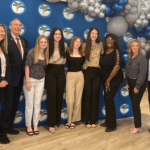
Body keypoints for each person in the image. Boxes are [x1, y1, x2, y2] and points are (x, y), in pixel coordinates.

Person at [4, 18, 27, 135]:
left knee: (14, 106)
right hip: (8, 81)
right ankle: (1, 132)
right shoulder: (5, 40)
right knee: (6, 107)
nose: (18, 27)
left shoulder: (23, 40)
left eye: (20, 25)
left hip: (19, 80)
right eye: (15, 25)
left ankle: (8, 127)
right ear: (10, 26)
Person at [23, 35, 49, 136]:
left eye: (45, 42)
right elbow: (26, 67)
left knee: (37, 104)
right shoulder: (32, 52)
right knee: (29, 104)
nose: (43, 44)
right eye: (41, 42)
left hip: (40, 81)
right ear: (38, 43)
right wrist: (28, 81)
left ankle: (35, 125)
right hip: (30, 80)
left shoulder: (46, 54)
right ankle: (28, 126)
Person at [45, 27, 67, 133]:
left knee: (59, 96)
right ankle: (51, 123)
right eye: (56, 34)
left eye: (59, 34)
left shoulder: (65, 46)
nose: (58, 36)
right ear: (52, 35)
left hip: (61, 71)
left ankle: (57, 121)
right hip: (50, 71)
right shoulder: (48, 45)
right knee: (52, 97)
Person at [100, 34, 123, 132]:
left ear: (115, 41)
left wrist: (108, 80)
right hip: (105, 79)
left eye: (111, 39)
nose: (109, 41)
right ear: (105, 41)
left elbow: (116, 67)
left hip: (114, 78)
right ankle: (108, 121)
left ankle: (112, 124)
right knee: (106, 99)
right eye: (107, 39)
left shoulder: (116, 52)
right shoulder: (104, 52)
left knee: (109, 98)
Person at [81, 27, 103, 128]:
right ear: (89, 34)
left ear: (97, 35)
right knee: (87, 95)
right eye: (92, 33)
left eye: (96, 33)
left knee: (95, 95)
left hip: (96, 72)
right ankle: (87, 119)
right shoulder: (84, 45)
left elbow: (104, 57)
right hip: (87, 71)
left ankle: (94, 119)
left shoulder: (100, 45)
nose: (94, 35)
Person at [125, 40, 147, 134]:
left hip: (138, 84)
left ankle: (137, 126)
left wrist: (137, 86)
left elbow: (142, 74)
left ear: (139, 47)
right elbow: (127, 72)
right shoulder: (130, 58)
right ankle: (137, 124)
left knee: (135, 105)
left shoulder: (141, 58)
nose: (134, 47)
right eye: (133, 46)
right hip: (130, 83)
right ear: (130, 47)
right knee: (134, 105)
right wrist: (127, 83)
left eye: (136, 46)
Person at [65, 36, 84, 129]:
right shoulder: (67, 53)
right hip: (70, 76)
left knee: (77, 100)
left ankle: (73, 120)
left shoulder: (82, 54)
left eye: (79, 42)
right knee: (70, 100)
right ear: (72, 42)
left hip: (80, 75)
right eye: (76, 41)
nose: (77, 43)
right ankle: (69, 120)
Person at [0, 24, 10, 144]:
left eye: (3, 31)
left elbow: (7, 67)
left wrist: (6, 79)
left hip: (5, 83)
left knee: (5, 110)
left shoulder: (3, 48)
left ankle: (2, 133)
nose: (1, 33)